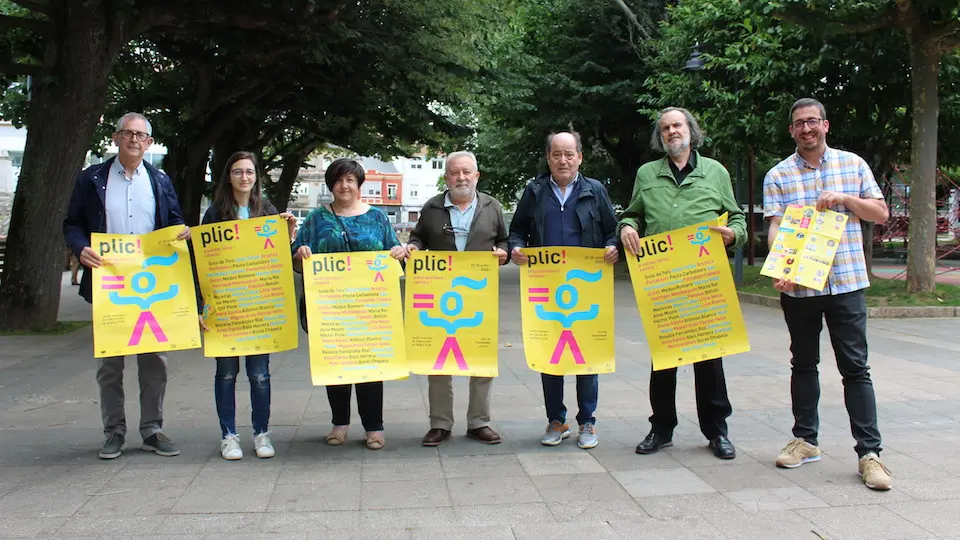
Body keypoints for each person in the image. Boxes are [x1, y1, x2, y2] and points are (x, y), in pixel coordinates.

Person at [763, 97, 892, 490]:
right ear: (791, 130)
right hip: (800, 287)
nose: (807, 129)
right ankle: (806, 440)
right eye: (799, 123)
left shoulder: (853, 165)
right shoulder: (778, 175)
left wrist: (845, 201)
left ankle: (869, 455)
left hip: (847, 282)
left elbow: (880, 213)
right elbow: (775, 230)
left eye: (813, 121)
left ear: (826, 125)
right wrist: (780, 269)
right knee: (803, 364)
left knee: (855, 368)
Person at [619, 107, 746, 460]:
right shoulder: (647, 174)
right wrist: (627, 227)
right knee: (664, 361)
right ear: (660, 138)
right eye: (665, 128)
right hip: (662, 281)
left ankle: (717, 431)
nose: (672, 131)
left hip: (703, 280)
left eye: (677, 125)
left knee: (709, 361)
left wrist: (733, 235)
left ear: (691, 130)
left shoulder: (715, 172)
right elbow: (633, 213)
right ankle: (661, 428)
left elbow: (737, 217)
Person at [63, 112, 190, 459]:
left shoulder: (161, 181)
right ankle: (114, 431)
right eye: (128, 133)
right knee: (110, 363)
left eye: (141, 135)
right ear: (116, 138)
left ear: (149, 143)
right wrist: (79, 247)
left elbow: (175, 221)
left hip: (151, 285)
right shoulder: (91, 179)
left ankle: (152, 429)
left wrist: (181, 233)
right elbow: (72, 223)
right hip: (111, 284)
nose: (134, 140)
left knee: (155, 361)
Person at [508, 130, 619, 450]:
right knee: (549, 354)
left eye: (569, 154)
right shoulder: (534, 191)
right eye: (557, 154)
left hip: (586, 286)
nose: (563, 160)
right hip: (546, 285)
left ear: (580, 157)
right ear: (548, 158)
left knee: (587, 355)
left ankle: (588, 421)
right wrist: (517, 249)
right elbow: (518, 231)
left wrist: (612, 248)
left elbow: (611, 230)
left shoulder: (595, 190)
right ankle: (556, 419)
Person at [291, 158, 406, 450]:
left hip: (369, 307)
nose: (344, 186)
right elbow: (296, 256)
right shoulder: (317, 218)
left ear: (359, 185)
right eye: (339, 180)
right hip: (329, 308)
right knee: (337, 364)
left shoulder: (378, 217)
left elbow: (394, 251)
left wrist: (397, 252)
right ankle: (339, 422)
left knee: (370, 366)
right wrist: (301, 251)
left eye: (350, 180)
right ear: (331, 185)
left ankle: (374, 427)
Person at [402, 151, 509, 446]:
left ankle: (479, 422)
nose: (460, 177)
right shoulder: (432, 206)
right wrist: (412, 247)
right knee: (439, 359)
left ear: (477, 176)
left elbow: (503, 240)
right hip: (441, 293)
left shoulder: (492, 206)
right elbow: (418, 237)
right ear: (446, 177)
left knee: (481, 356)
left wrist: (504, 252)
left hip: (479, 294)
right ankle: (440, 423)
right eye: (454, 173)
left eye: (466, 172)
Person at [198, 151, 297, 461]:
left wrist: (289, 232)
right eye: (238, 171)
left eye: (250, 172)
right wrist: (202, 306)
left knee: (260, 374)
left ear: (257, 177)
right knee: (226, 374)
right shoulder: (214, 214)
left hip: (258, 306)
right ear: (228, 176)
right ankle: (228, 435)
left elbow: (279, 256)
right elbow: (202, 264)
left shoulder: (266, 210)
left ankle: (261, 433)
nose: (244, 177)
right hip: (226, 306)